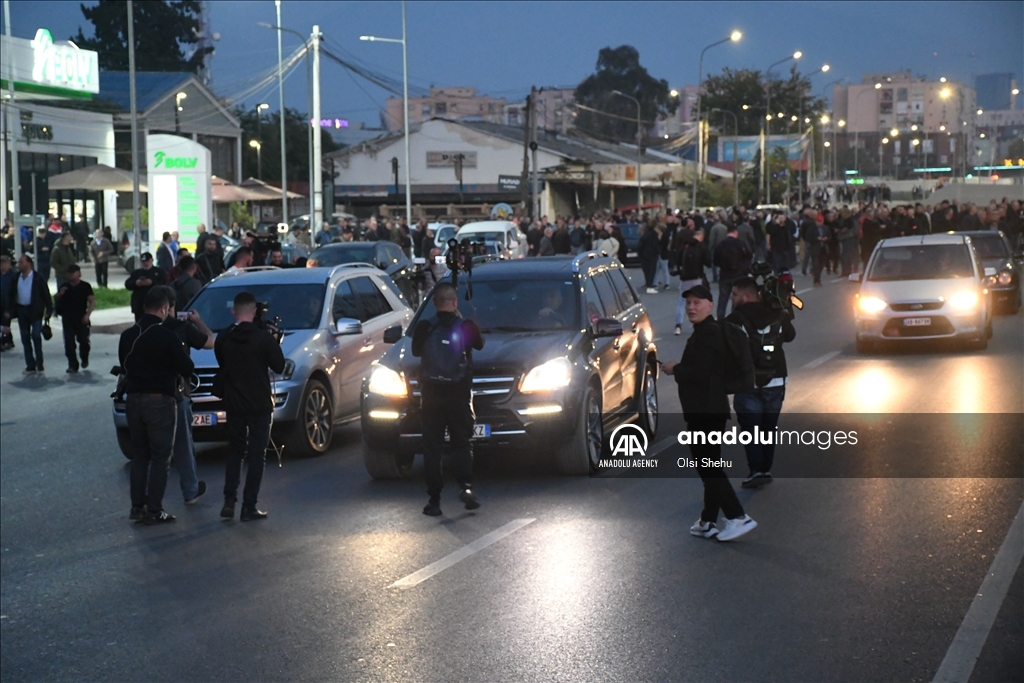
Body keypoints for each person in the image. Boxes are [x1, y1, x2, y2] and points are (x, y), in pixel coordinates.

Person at [660, 284, 756, 542]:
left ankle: (737, 517)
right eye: (688, 303)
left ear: (710, 305)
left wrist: (675, 369)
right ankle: (707, 521)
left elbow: (702, 373)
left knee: (709, 467)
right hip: (709, 409)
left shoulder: (708, 334)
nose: (691, 307)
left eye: (697, 302)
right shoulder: (704, 332)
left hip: (705, 410)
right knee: (711, 465)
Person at [118, 287, 194, 524]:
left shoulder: (128, 335)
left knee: (140, 456)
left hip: (134, 401)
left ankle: (137, 507)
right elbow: (187, 368)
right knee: (161, 458)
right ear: (164, 309)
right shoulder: (167, 336)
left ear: (143, 308)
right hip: (160, 401)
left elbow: (124, 365)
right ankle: (155, 509)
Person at [411, 283, 485, 516]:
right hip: (458, 395)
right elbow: (480, 345)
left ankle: (434, 500)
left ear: (435, 304)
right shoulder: (466, 326)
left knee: (432, 447)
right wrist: (463, 321)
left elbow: (415, 351)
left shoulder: (425, 327)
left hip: (432, 396)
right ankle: (466, 487)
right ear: (454, 302)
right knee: (462, 443)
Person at [215, 292, 287, 521]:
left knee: (235, 451)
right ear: (254, 311)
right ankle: (249, 506)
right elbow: (278, 365)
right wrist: (274, 342)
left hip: (234, 402)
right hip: (259, 403)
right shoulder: (263, 338)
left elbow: (222, 362)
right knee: (257, 455)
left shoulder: (225, 337)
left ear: (234, 311)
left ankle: (229, 500)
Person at [725, 277, 795, 488]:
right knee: (768, 428)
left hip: (748, 382)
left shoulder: (735, 319)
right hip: (776, 380)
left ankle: (757, 470)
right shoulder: (776, 312)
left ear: (746, 297)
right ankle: (765, 467)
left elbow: (729, 350)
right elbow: (790, 336)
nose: (732, 298)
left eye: (735, 294)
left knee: (750, 429)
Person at [161, 285, 214, 506]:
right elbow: (210, 341)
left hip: (147, 395)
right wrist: (198, 321)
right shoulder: (181, 329)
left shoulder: (142, 328)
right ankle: (190, 490)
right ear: (171, 306)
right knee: (183, 444)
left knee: (153, 449)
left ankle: (146, 500)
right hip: (177, 393)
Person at [5, 254, 52, 373]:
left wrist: (49, 310)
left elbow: (46, 295)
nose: (19, 265)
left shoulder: (37, 278)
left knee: (36, 335)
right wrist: (9, 310)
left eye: (22, 262)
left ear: (29, 263)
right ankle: (30, 364)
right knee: (25, 338)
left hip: (35, 311)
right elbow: (11, 295)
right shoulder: (16, 278)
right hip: (22, 310)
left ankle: (39, 361)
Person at [54, 264, 94, 373]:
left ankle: (84, 357)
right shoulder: (64, 286)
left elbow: (91, 302)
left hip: (81, 317)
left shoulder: (85, 286)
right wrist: (60, 294)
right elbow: (56, 299)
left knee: (84, 340)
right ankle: (72, 364)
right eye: (69, 273)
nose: (71, 275)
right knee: (69, 342)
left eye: (73, 273)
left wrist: (87, 315)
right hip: (67, 318)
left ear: (79, 274)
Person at [671, 227, 710, 336]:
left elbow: (678, 260)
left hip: (685, 278)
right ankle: (698, 324)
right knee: (697, 301)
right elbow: (708, 262)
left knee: (682, 301)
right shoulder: (701, 246)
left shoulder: (685, 246)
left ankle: (678, 325)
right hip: (697, 277)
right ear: (701, 236)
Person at [712, 225, 751, 321]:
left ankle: (720, 320)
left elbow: (715, 261)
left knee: (723, 300)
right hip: (738, 275)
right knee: (736, 299)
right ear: (736, 232)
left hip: (724, 275)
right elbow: (749, 256)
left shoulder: (721, 244)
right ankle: (734, 321)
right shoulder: (741, 243)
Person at [125, 253, 166, 322]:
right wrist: (136, 283)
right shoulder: (137, 273)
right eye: (143, 262)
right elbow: (128, 284)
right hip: (139, 305)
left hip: (155, 304)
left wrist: (152, 283)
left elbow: (165, 284)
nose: (145, 263)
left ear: (152, 260)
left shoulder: (159, 272)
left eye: (147, 261)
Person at [638, 223, 661, 293]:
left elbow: (640, 246)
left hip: (646, 255)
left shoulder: (645, 236)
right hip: (652, 255)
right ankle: (649, 286)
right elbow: (656, 245)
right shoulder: (653, 235)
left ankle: (648, 284)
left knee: (647, 271)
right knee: (651, 270)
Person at [0, 255, 15, 351]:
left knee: (5, 322)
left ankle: (5, 341)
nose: (3, 265)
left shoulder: (13, 276)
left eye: (5, 263)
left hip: (8, 302)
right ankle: (7, 340)